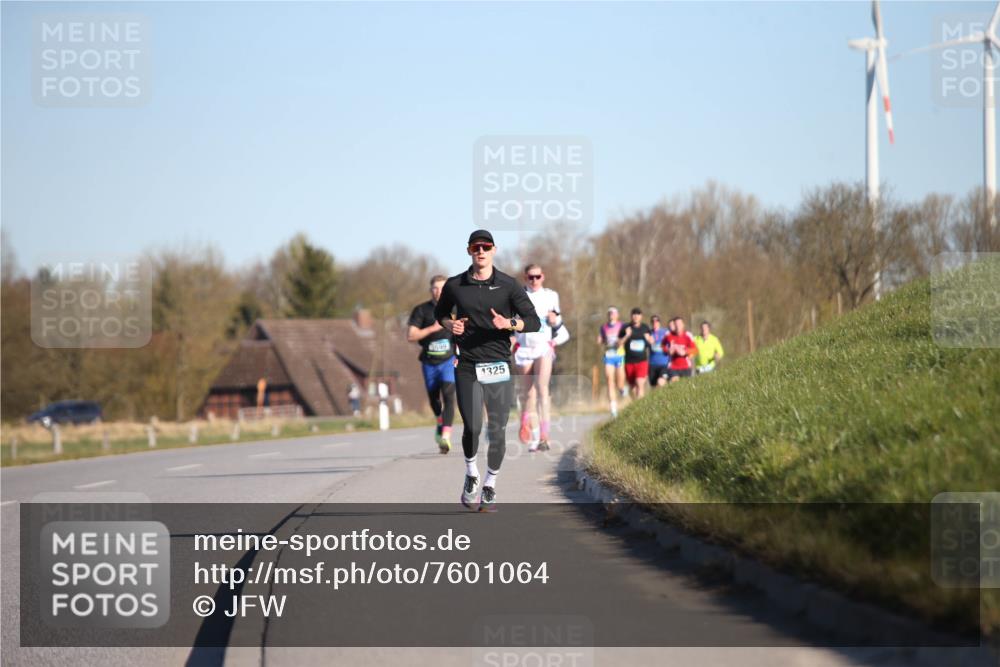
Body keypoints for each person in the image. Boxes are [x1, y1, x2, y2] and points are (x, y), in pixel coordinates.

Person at [435, 230, 540, 512]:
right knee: (472, 426)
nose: (481, 251)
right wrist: (450, 325)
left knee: (497, 429)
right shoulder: (456, 285)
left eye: (486, 247)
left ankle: (491, 484)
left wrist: (510, 324)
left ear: (494, 250)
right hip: (467, 363)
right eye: (475, 247)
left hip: (498, 364)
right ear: (469, 251)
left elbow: (534, 321)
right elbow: (441, 313)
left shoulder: (508, 285)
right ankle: (471, 474)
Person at [514, 264, 569, 453]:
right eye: (531, 277)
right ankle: (535, 434)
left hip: (543, 345)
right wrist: (512, 338)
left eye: (537, 277)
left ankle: (545, 436)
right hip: (524, 347)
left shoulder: (551, 295)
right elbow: (511, 322)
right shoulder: (518, 295)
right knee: (529, 393)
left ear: (543, 276)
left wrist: (555, 321)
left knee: (542, 387)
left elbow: (558, 321)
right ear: (526, 278)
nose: (534, 280)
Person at [407, 275, 456, 453]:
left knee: (449, 394)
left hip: (449, 360)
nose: (438, 291)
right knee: (434, 399)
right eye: (435, 288)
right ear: (430, 290)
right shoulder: (421, 310)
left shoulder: (455, 309)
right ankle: (439, 421)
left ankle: (446, 436)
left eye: (442, 288)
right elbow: (411, 336)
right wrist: (432, 329)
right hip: (429, 362)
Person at [598, 307, 626, 417]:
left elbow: (625, 337)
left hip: (619, 354)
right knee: (609, 380)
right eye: (609, 313)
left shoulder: (622, 326)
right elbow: (601, 339)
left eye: (613, 313)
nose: (611, 315)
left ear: (617, 315)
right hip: (609, 355)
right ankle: (613, 408)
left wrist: (621, 341)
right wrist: (600, 340)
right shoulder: (603, 327)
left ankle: (622, 388)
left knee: (620, 382)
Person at [620, 307, 654, 399]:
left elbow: (652, 341)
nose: (636, 316)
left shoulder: (645, 328)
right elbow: (619, 344)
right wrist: (626, 336)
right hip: (629, 362)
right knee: (633, 388)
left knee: (640, 383)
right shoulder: (625, 328)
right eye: (634, 314)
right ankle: (635, 405)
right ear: (631, 316)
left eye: (638, 314)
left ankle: (641, 408)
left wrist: (649, 339)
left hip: (642, 361)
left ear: (641, 316)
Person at [663, 316, 698, 382]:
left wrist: (685, 352)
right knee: (675, 382)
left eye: (679, 324)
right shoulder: (669, 335)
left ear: (683, 325)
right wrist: (668, 351)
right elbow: (663, 346)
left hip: (686, 366)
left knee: (686, 387)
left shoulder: (688, 335)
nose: (678, 326)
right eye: (676, 324)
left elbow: (695, 350)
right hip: (673, 366)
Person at [648, 315, 671, 388]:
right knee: (654, 386)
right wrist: (648, 341)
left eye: (656, 321)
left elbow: (672, 344)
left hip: (664, 363)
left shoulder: (665, 332)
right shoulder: (649, 333)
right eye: (653, 321)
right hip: (652, 364)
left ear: (659, 322)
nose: (655, 323)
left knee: (661, 382)